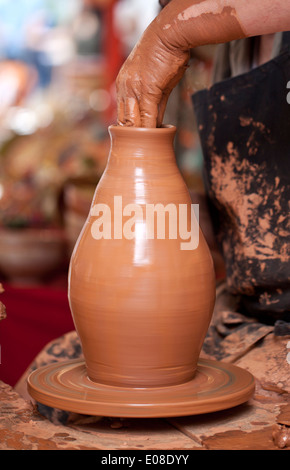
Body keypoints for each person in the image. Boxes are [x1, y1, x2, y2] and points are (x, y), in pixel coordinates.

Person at [15, 0, 290, 428]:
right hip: (245, 308)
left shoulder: (188, 30)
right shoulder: (227, 45)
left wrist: (170, 32)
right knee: (38, 389)